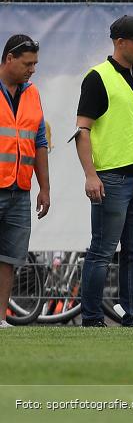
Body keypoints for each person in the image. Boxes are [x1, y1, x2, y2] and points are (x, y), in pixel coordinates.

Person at [74, 15, 133, 327]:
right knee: (102, 251)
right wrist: (90, 174)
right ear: (120, 42)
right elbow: (82, 130)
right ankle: (92, 319)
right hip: (111, 176)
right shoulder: (97, 78)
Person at [0, 35, 50, 328]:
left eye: (35, 64)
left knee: (9, 259)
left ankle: (0, 319)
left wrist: (45, 188)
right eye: (27, 64)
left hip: (20, 190)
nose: (32, 69)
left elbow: (39, 142)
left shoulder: (32, 93)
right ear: (9, 59)